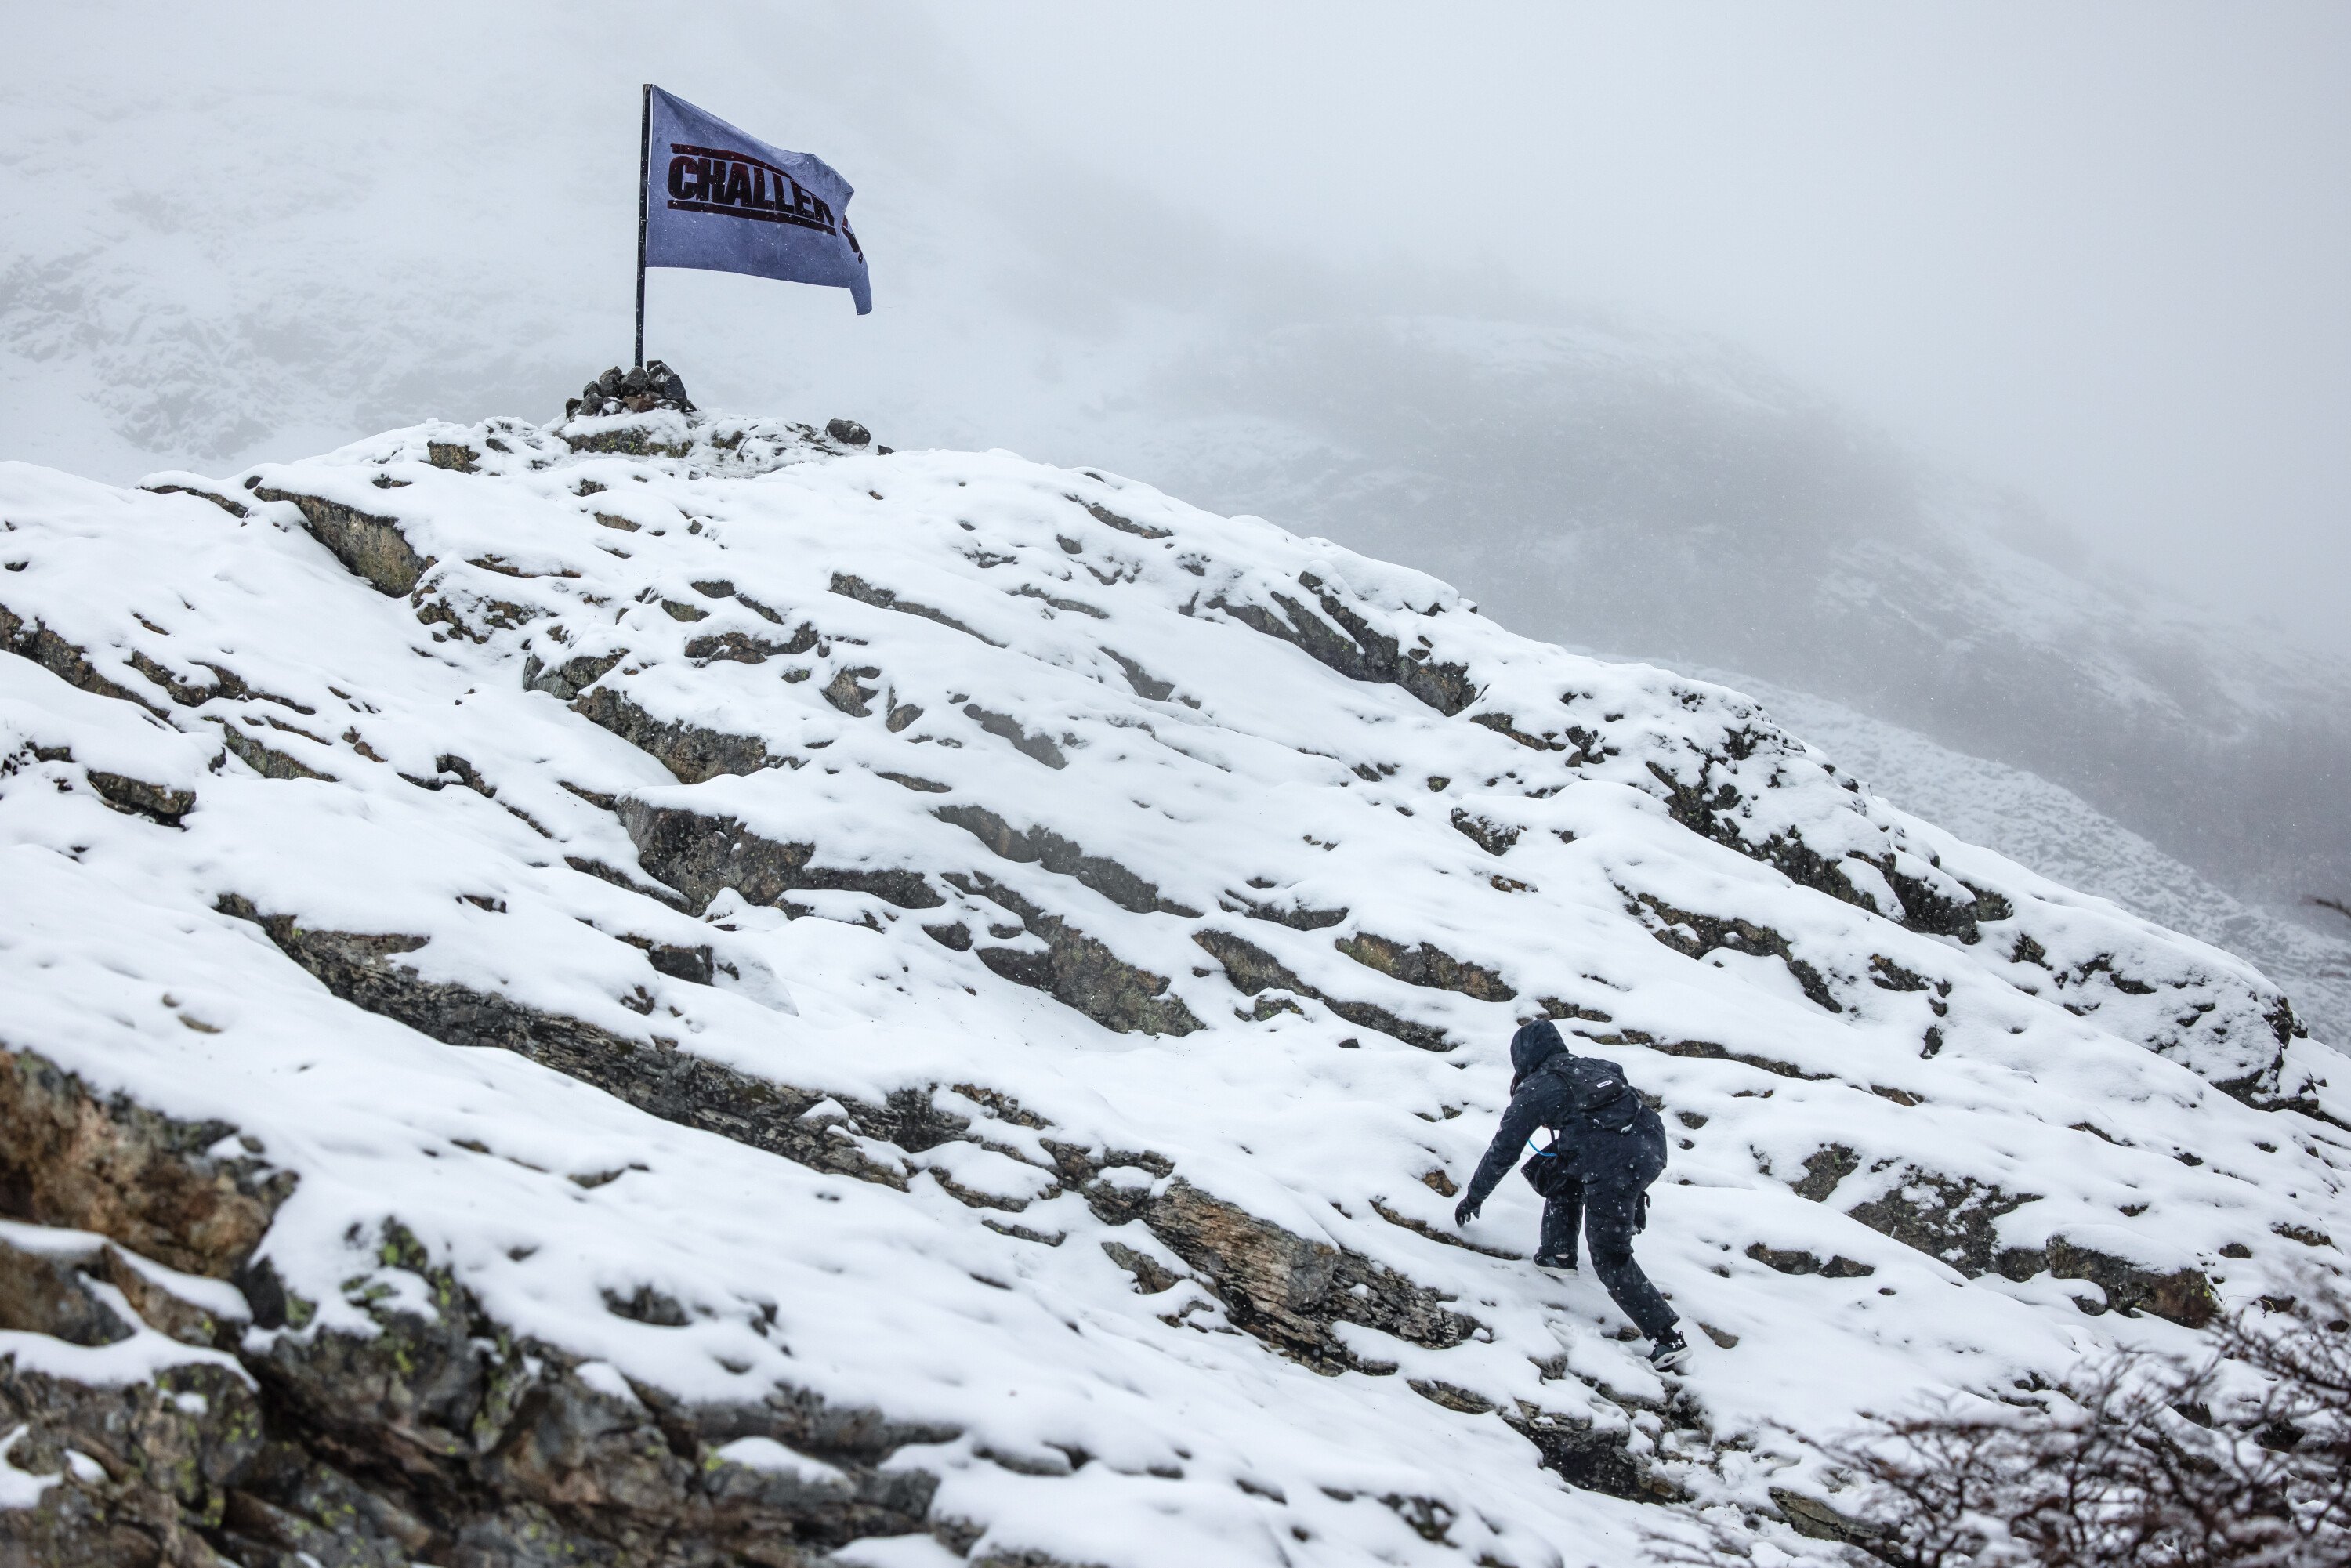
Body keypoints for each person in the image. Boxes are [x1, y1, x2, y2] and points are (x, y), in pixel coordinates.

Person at [1453, 1019, 1690, 1371]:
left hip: (1614, 1163)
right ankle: (1557, 1253)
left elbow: (1503, 1151)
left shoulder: (1536, 1088)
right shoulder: (1590, 1067)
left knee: (1610, 1256)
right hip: (1648, 1144)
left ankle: (1667, 1338)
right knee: (1562, 1170)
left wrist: (1474, 1197)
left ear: (1523, 1057)